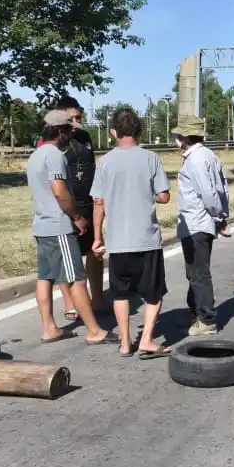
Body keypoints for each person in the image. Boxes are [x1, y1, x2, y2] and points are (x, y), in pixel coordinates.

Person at [26, 110, 112, 345]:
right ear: (60, 131)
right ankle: (94, 331)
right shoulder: (55, 155)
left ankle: (49, 328)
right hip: (59, 226)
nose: (72, 133)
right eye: (68, 129)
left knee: (45, 277)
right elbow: (59, 190)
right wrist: (76, 217)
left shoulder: (36, 154)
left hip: (41, 226)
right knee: (76, 278)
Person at [90, 109, 171, 358]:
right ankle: (146, 339)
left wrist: (97, 237)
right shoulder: (151, 159)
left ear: (113, 132)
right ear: (140, 131)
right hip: (146, 238)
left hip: (118, 241)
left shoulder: (104, 162)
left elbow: (99, 202)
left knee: (120, 293)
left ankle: (125, 342)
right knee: (153, 293)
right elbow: (164, 196)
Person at [44, 97, 107, 319]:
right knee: (67, 256)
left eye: (80, 117)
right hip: (67, 206)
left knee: (95, 251)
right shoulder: (52, 142)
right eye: (73, 118)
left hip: (89, 202)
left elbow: (92, 166)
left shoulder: (85, 137)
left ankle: (98, 298)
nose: (78, 122)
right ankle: (70, 302)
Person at [172, 116, 229, 336]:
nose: (176, 139)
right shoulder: (209, 155)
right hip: (199, 223)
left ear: (185, 136)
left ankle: (206, 318)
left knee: (198, 272)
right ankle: (195, 310)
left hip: (196, 221)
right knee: (193, 271)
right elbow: (223, 187)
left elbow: (209, 193)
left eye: (179, 135)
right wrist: (222, 216)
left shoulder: (195, 160)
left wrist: (217, 213)